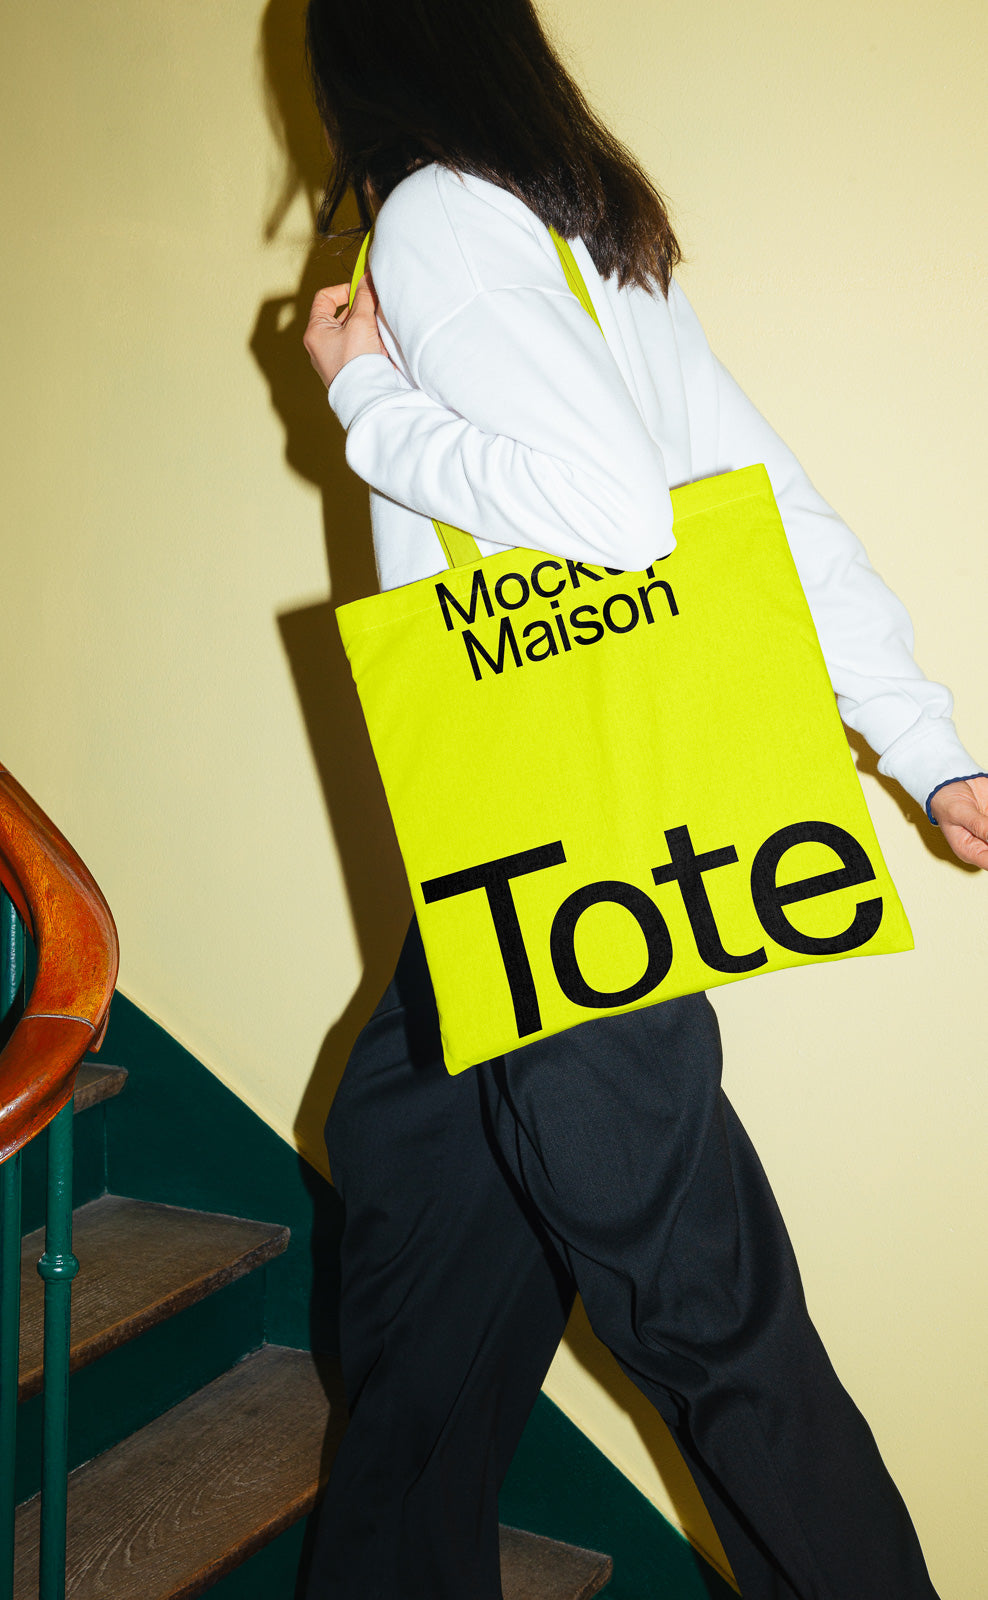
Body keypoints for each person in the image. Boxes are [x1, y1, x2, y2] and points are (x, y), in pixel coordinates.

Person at [299, 2, 988, 1595]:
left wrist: (360, 397)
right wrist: (919, 739)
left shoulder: (441, 220)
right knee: (410, 1209)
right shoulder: (578, 233)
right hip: (522, 849)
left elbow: (613, 517)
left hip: (553, 847)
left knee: (706, 1321)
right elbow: (772, 505)